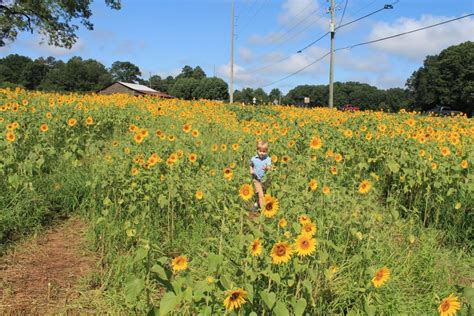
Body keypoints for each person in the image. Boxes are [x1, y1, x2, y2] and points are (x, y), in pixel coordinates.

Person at [250, 141, 272, 211]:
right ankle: (263, 210)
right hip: (256, 179)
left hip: (265, 180)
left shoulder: (268, 159)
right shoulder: (254, 158)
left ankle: (257, 203)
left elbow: (270, 167)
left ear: (267, 151)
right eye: (260, 151)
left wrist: (267, 167)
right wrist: (251, 170)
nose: (262, 153)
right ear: (257, 150)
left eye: (264, 151)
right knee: (261, 194)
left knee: (264, 193)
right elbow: (251, 164)